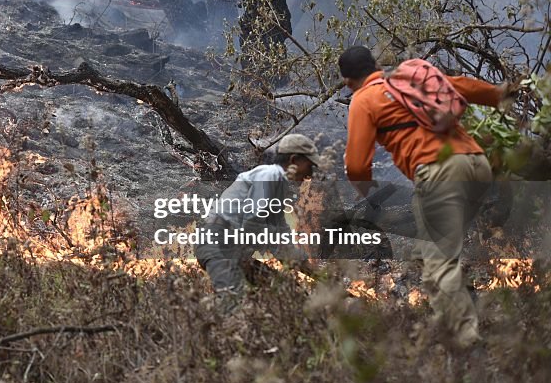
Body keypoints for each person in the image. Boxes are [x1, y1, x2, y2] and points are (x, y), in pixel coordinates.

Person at [338, 46, 514, 348]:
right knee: (429, 250)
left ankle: (466, 344)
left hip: (441, 173)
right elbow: (465, 86)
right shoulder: (409, 80)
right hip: (476, 164)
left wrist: (369, 196)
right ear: (376, 65)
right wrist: (502, 94)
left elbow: (356, 166)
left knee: (439, 261)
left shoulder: (363, 99)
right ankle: (461, 299)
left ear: (347, 80)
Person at [193, 133, 320, 306]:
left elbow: (280, 237)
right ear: (294, 160)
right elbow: (254, 222)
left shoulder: (277, 185)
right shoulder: (270, 174)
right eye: (310, 165)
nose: (310, 174)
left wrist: (316, 272)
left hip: (232, 252)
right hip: (219, 247)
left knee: (293, 296)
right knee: (235, 308)